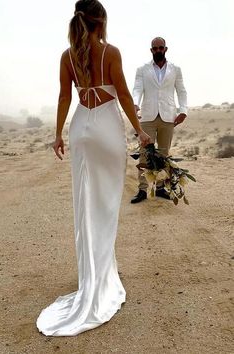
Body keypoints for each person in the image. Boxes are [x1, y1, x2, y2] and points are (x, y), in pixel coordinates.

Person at [36, 0, 150, 337]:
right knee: (105, 205)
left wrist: (57, 135)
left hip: (81, 128)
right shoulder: (110, 52)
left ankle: (92, 275)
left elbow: (63, 98)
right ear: (101, 22)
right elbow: (125, 95)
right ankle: (101, 278)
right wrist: (139, 130)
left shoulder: (66, 56)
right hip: (106, 129)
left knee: (84, 205)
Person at [131, 37, 188, 203]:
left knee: (164, 153)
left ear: (166, 49)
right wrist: (135, 104)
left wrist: (183, 110)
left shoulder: (175, 69)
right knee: (144, 154)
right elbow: (137, 89)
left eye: (160, 48)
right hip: (147, 116)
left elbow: (181, 91)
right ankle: (142, 190)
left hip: (168, 116)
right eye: (155, 48)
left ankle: (162, 187)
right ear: (151, 50)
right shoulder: (142, 69)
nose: (158, 51)